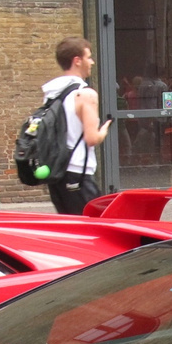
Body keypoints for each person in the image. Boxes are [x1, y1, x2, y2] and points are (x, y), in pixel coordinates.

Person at [39, 37, 111, 214]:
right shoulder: (85, 94)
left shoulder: (52, 93)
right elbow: (91, 138)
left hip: (56, 172)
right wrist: (104, 130)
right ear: (77, 61)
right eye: (89, 57)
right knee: (93, 226)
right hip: (78, 171)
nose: (92, 62)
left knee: (70, 226)